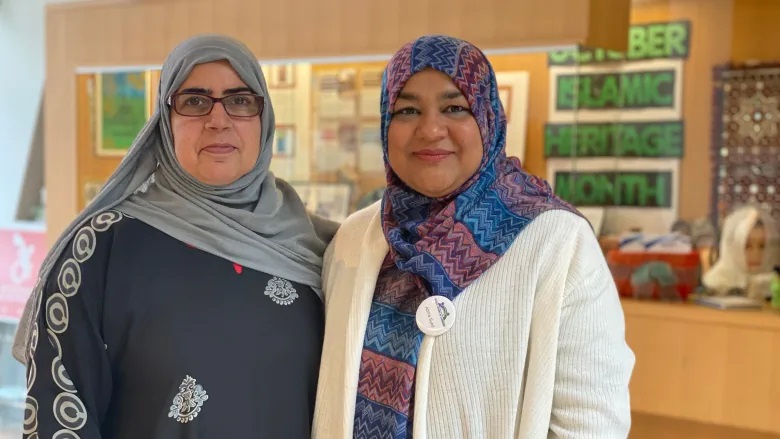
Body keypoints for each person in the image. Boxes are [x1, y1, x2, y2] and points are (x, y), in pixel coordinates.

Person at [15, 34, 338, 438]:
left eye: (240, 101)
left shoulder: (320, 247)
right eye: (195, 101)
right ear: (164, 122)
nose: (218, 120)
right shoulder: (102, 248)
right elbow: (59, 411)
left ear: (264, 118)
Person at [312, 35, 635, 438]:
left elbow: (592, 424)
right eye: (407, 110)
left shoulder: (557, 243)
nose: (430, 129)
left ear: (488, 118)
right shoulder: (355, 238)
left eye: (454, 108)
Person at [702, 204, 778, 297]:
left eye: (762, 246)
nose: (756, 254)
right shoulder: (717, 282)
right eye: (747, 246)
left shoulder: (774, 281)